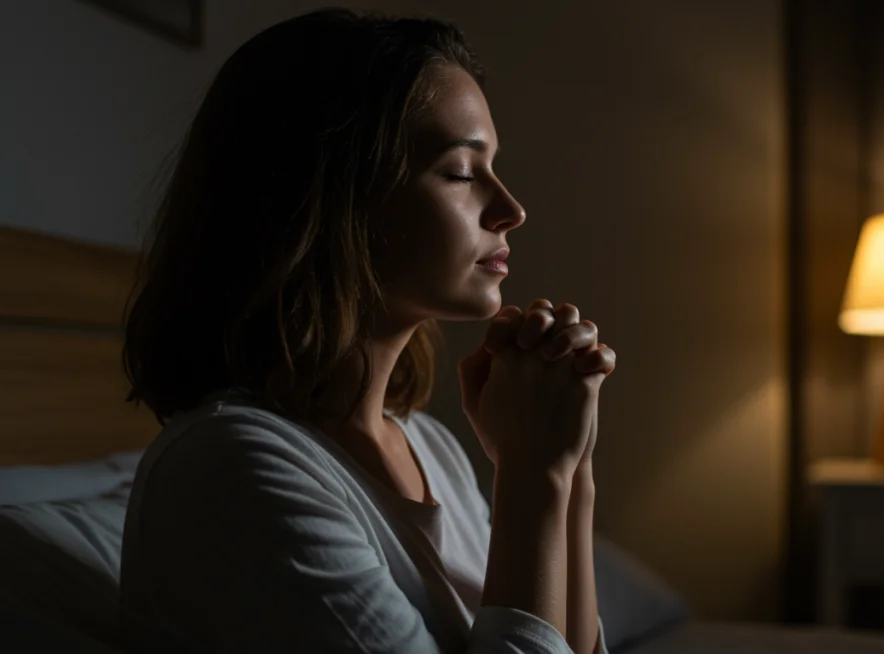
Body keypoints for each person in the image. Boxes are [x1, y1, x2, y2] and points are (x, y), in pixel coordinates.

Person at [118, 8, 616, 654]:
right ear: (332, 197)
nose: (511, 209)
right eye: (462, 172)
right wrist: (532, 477)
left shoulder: (430, 446)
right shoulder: (228, 470)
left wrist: (570, 470)